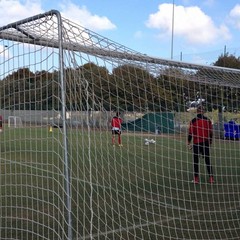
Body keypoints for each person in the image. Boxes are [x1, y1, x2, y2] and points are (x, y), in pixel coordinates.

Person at [187, 105, 214, 184]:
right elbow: (211, 132)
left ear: (197, 111)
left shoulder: (193, 121)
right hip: (205, 143)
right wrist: (210, 141)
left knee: (196, 161)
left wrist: (188, 142)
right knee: (207, 160)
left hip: (196, 143)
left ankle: (196, 179)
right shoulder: (208, 120)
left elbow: (190, 133)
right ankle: (211, 178)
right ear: (204, 111)